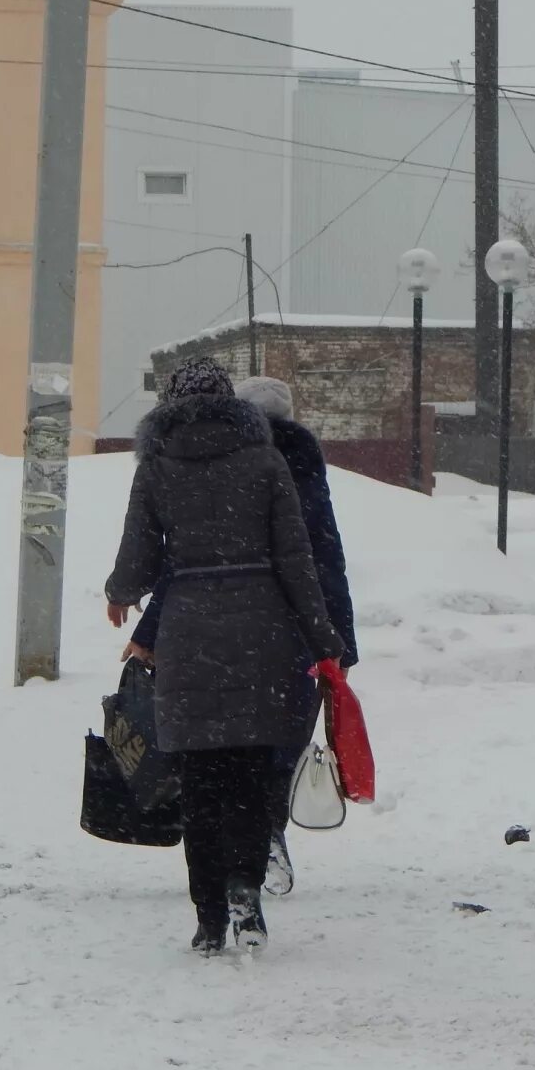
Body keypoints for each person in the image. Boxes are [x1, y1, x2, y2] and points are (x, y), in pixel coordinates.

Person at [105, 358, 343, 955]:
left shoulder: (156, 468)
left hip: (187, 632)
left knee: (202, 779)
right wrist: (324, 638)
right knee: (248, 771)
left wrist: (119, 594)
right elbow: (296, 558)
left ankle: (209, 915)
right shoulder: (266, 462)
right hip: (261, 635)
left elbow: (138, 555)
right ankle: (246, 889)